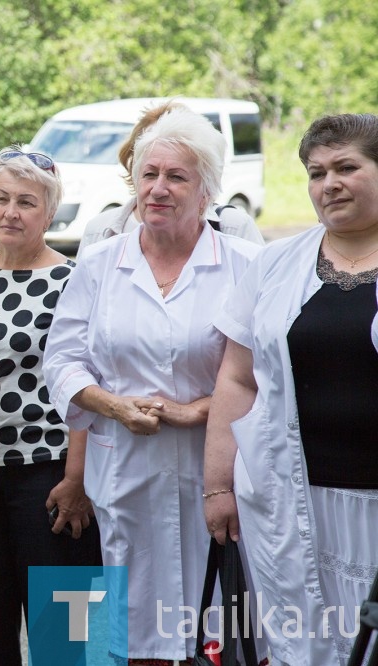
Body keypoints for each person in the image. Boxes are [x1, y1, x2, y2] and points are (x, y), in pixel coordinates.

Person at [42, 107, 261, 664]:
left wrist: (201, 411)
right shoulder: (97, 263)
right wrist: (112, 405)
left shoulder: (247, 266)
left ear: (208, 191)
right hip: (123, 477)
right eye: (148, 175)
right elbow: (63, 361)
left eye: (176, 177)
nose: (157, 189)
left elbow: (271, 376)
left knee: (217, 628)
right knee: (125, 636)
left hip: (218, 476)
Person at [205, 113, 378, 665]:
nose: (329, 183)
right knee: (303, 645)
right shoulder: (275, 265)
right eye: (315, 172)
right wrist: (217, 487)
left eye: (347, 167)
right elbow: (236, 377)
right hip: (290, 501)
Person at [0, 147, 102, 665]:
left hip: (52, 476)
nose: (11, 211)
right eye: (0, 198)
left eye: (27, 202)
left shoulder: (78, 280)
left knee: (73, 636)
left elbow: (90, 381)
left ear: (50, 213)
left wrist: (78, 480)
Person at [77, 100, 264, 256]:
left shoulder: (233, 228)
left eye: (176, 176)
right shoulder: (100, 233)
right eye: (150, 171)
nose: (158, 189)